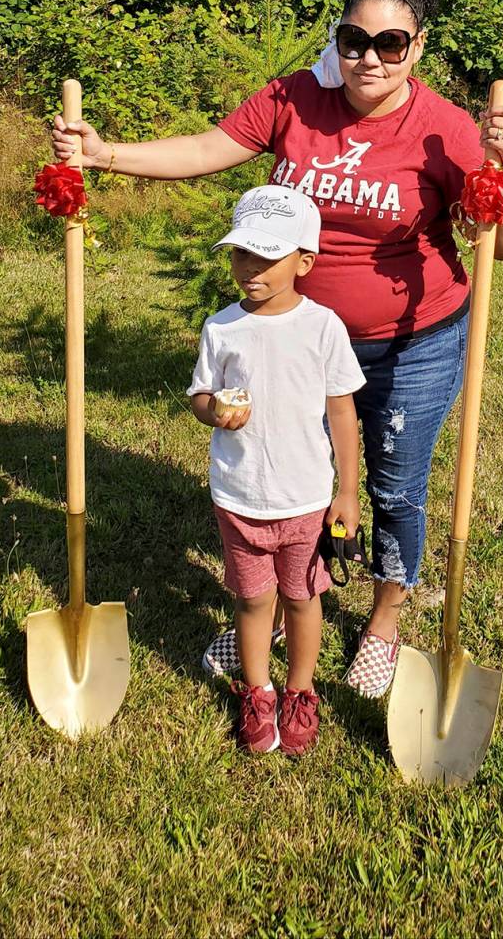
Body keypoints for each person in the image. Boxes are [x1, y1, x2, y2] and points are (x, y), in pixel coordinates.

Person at [51, 0, 503, 698]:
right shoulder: (294, 98)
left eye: (389, 44)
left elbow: (497, 241)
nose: (368, 58)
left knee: (394, 487)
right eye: (353, 40)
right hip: (295, 339)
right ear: (337, 38)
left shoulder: (443, 128)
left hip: (412, 343)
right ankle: (282, 602)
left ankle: (383, 620)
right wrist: (106, 154)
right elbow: (211, 149)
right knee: (293, 479)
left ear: (417, 46)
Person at [186, 184, 366, 754]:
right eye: (242, 254)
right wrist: (214, 410)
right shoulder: (222, 328)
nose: (251, 268)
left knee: (301, 597)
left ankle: (300, 692)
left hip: (306, 499)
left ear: (304, 262)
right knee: (251, 599)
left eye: (268, 257)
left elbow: (343, 415)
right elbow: (200, 396)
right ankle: (258, 691)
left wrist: (348, 492)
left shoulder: (322, 327)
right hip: (239, 496)